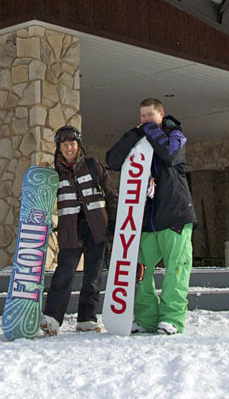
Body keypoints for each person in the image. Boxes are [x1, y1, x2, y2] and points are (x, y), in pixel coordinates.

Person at [105, 97, 194, 335]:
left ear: (161, 114)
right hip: (145, 220)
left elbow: (170, 155)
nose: (145, 120)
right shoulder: (139, 138)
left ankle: (172, 319)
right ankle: (146, 318)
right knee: (139, 270)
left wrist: (152, 130)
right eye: (142, 116)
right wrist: (133, 136)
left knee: (176, 270)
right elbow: (112, 161)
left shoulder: (176, 135)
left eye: (150, 116)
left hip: (174, 216)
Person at [40, 125, 117, 335]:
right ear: (59, 147)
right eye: (64, 145)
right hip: (70, 230)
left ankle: (87, 319)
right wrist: (42, 177)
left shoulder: (93, 166)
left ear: (78, 145)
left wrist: (114, 223)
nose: (69, 148)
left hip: (97, 229)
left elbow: (111, 195)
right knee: (63, 274)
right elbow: (42, 199)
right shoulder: (54, 173)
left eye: (72, 144)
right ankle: (52, 318)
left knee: (93, 276)